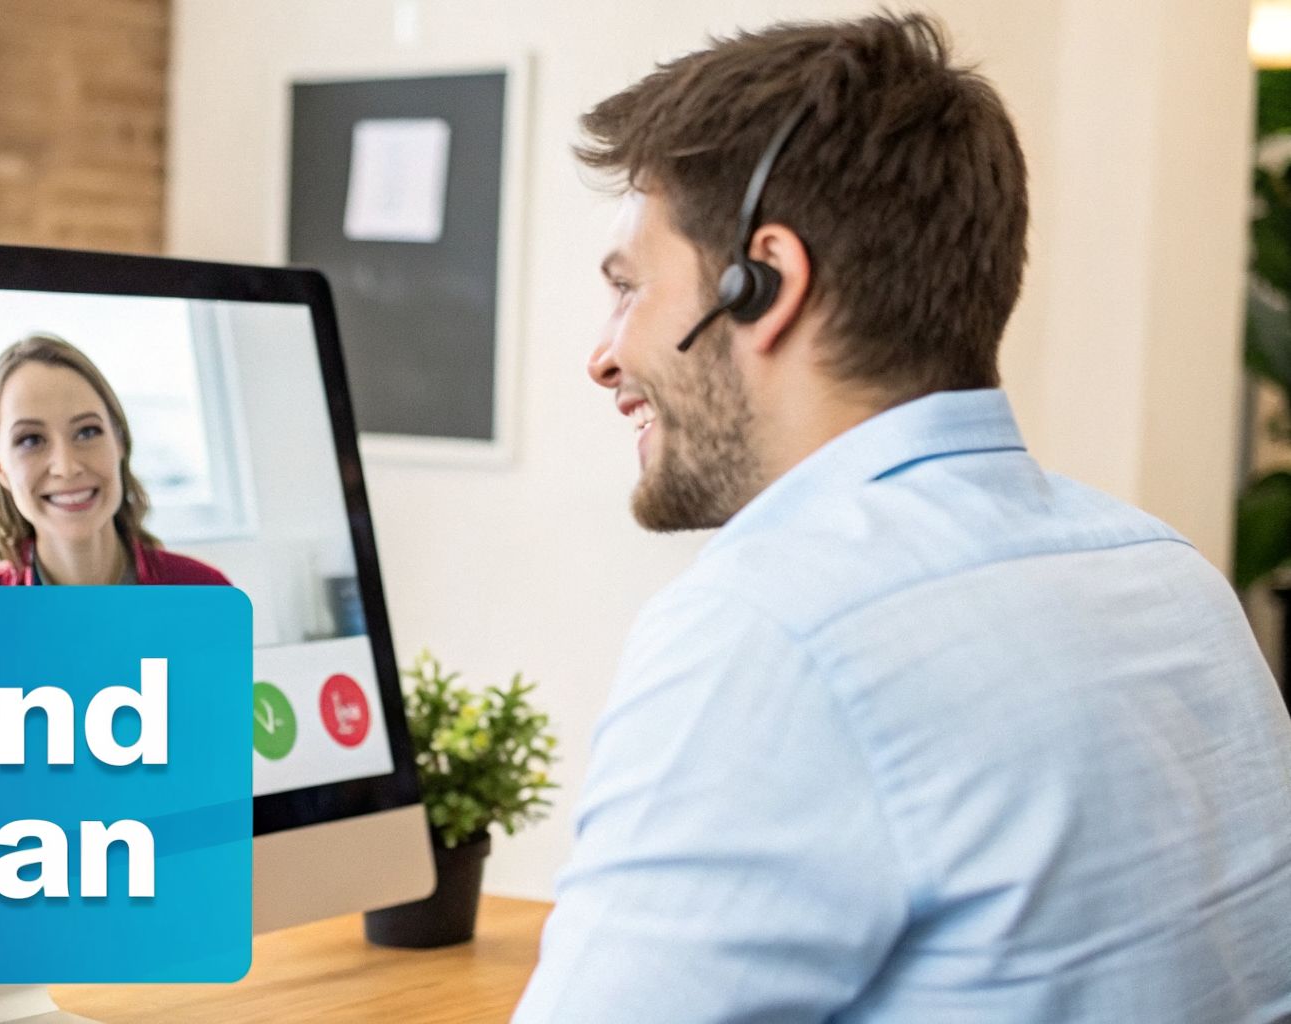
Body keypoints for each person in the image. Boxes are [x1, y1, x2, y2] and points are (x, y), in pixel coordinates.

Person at [515, 13, 1291, 1022]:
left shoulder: (771, 632)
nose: (604, 354)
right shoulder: (1165, 572)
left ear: (765, 284)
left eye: (627, 289)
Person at [0, 333, 230, 587]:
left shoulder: (206, 595)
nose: (66, 467)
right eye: (31, 440)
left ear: (119, 441)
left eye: (87, 432)